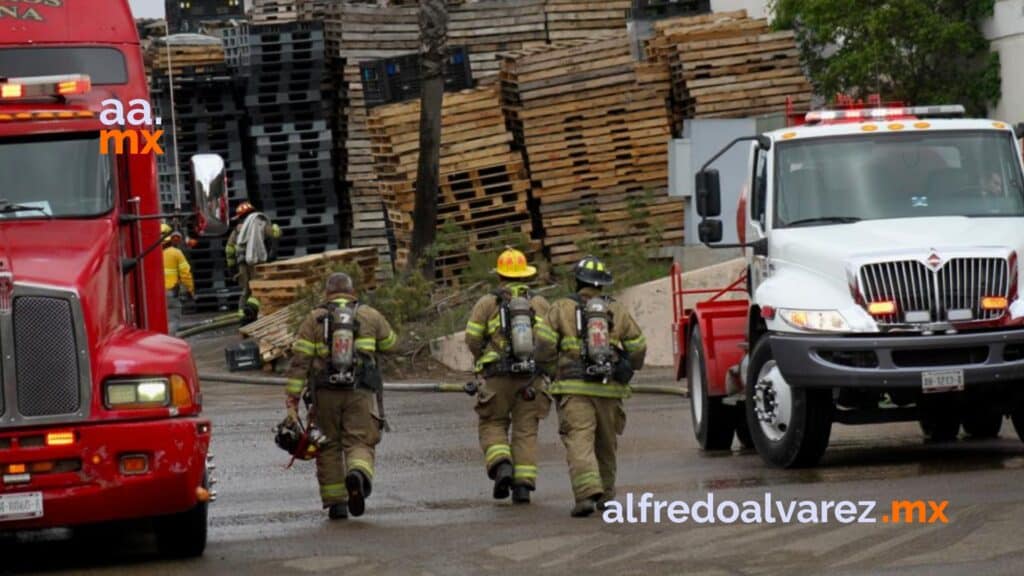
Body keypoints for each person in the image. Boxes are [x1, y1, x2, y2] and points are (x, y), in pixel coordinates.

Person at [535, 255, 647, 518]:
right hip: (609, 389)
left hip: (574, 389)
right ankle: (606, 496)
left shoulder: (560, 308)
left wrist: (554, 371)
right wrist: (627, 369)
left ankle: (586, 494)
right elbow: (639, 348)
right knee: (606, 445)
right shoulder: (617, 311)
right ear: (602, 285)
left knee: (579, 440)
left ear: (577, 281)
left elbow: (542, 346)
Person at [285, 272, 398, 520]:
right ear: (352, 291)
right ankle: (357, 474)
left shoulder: (314, 319)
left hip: (325, 394)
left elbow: (299, 362)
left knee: (327, 446)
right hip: (360, 392)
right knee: (359, 441)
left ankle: (337, 504)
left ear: (327, 293)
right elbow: (391, 343)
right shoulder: (369, 314)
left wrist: (292, 398)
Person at [464, 249, 552, 504]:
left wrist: (483, 359)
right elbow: (549, 342)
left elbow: (472, 338)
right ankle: (523, 486)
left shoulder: (487, 303)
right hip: (531, 378)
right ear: (526, 275)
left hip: (496, 376)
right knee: (526, 431)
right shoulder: (540, 303)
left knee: (493, 423)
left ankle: (502, 464)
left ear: (500, 275)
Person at [226, 201, 281, 311]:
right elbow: (275, 234)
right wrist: (275, 227)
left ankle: (243, 315)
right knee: (258, 288)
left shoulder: (237, 230)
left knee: (246, 290)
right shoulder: (260, 223)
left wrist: (232, 268)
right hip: (257, 264)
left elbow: (229, 250)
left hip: (242, 266)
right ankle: (254, 313)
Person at [162, 223, 194, 335]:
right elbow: (186, 274)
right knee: (172, 321)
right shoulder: (176, 253)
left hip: (152, 296)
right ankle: (169, 344)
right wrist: (190, 290)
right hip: (171, 293)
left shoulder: (149, 253)